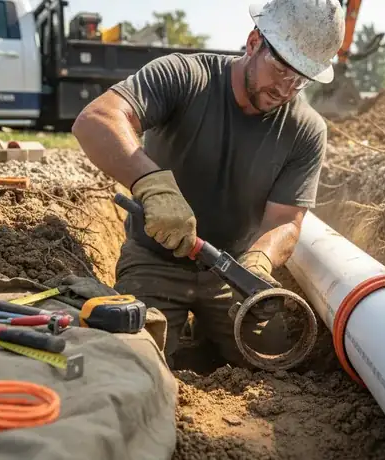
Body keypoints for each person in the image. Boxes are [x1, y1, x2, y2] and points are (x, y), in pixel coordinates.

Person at [72, 0, 345, 368]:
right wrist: (152, 185)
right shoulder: (185, 76)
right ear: (253, 42)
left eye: (301, 79)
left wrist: (259, 261)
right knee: (135, 360)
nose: (286, 88)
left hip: (232, 275)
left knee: (272, 361)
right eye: (281, 68)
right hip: (155, 261)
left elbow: (285, 220)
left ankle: (206, 341)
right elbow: (97, 118)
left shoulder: (306, 130)